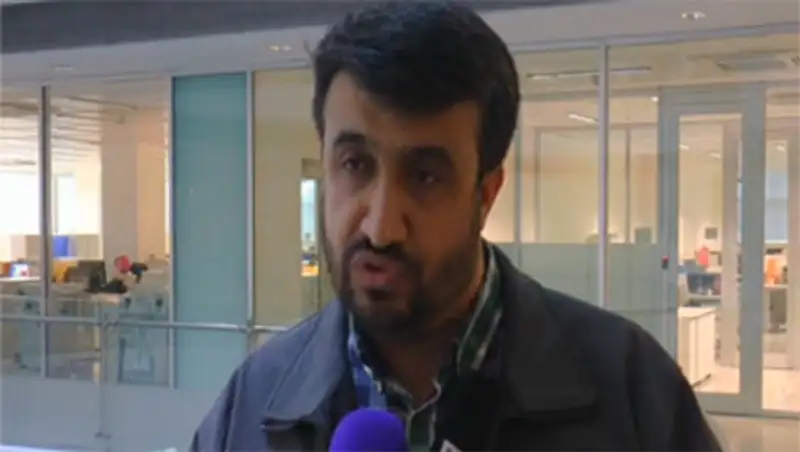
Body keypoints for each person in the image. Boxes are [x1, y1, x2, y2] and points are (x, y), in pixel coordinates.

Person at [192, 2, 722, 451]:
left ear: (486, 193)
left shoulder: (632, 391)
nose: (380, 227)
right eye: (354, 164)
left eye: (425, 176)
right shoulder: (254, 401)